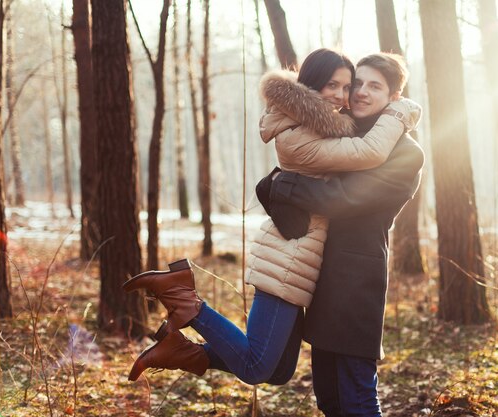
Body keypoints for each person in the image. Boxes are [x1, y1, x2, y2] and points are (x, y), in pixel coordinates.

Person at [122, 48, 421, 386]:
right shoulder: (304, 132)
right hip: (289, 256)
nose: (343, 95)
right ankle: (185, 301)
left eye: (345, 87)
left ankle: (181, 351)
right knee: (259, 367)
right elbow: (366, 154)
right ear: (310, 86)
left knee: (278, 370)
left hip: (302, 256)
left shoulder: (321, 123)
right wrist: (400, 110)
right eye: (333, 86)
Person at [259, 52, 425, 416]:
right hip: (320, 277)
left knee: (357, 397)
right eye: (357, 84)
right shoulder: (339, 129)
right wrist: (274, 183)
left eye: (374, 87)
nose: (360, 93)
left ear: (394, 98)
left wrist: (282, 185)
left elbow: (345, 199)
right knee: (329, 398)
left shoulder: (405, 152)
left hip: (354, 284)